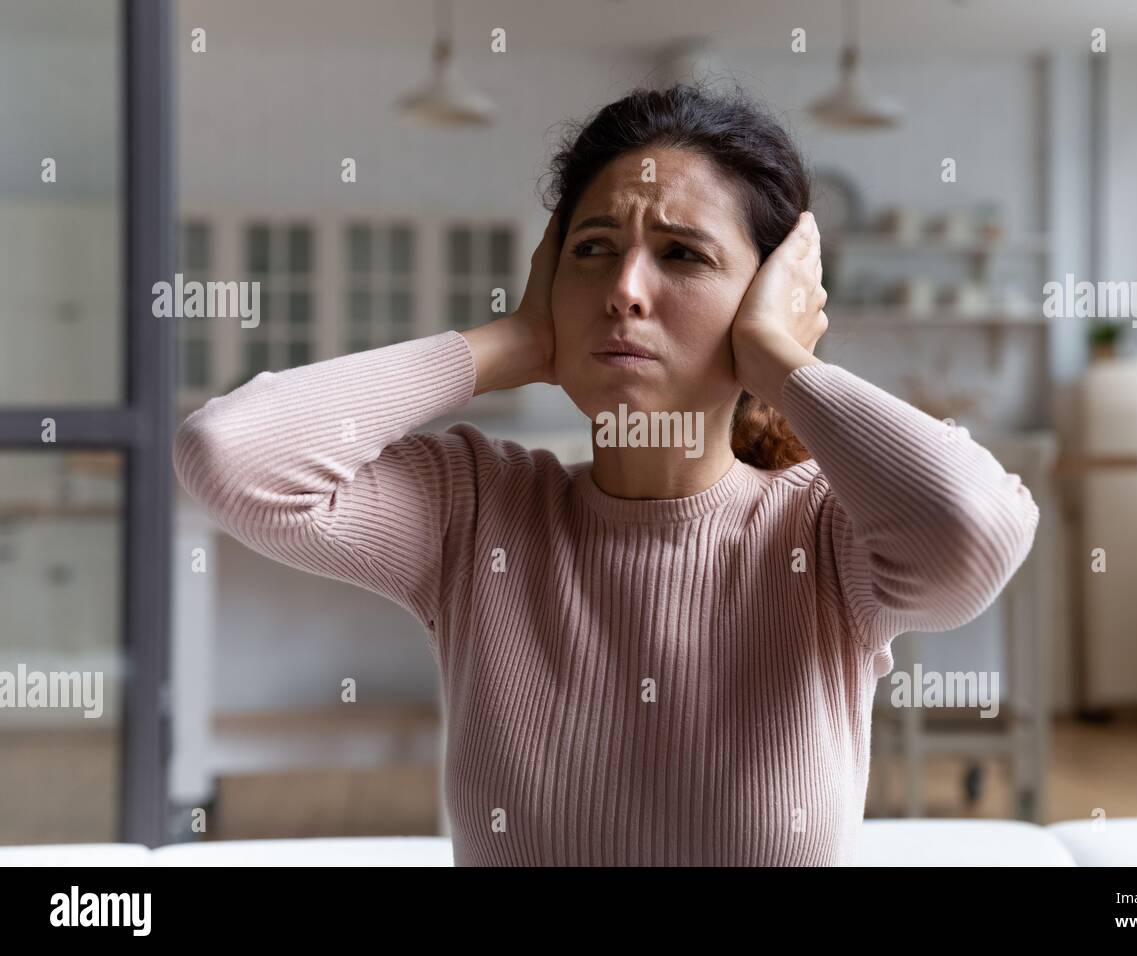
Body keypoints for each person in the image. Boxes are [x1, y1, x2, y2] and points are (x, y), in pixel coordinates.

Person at [173, 83, 1040, 866]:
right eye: (591, 248)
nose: (624, 286)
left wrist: (778, 360)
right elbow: (229, 455)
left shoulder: (822, 536)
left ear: (766, 299)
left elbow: (975, 532)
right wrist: (510, 342)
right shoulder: (479, 512)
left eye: (682, 254)